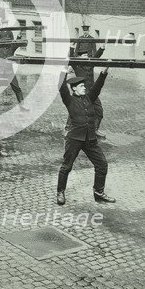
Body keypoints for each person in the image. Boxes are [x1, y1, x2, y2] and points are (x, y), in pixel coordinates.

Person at [57, 69, 115, 205]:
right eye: (81, 86)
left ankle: (98, 193)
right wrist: (63, 71)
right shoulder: (69, 100)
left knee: (102, 164)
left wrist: (104, 73)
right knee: (66, 166)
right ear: (74, 89)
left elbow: (97, 86)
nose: (84, 87)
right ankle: (60, 192)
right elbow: (61, 87)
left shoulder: (89, 98)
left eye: (84, 85)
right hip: (74, 139)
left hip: (90, 139)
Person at [70, 41, 106, 139]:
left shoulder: (90, 64)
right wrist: (71, 47)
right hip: (82, 93)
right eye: (84, 55)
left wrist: (102, 48)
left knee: (99, 111)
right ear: (80, 57)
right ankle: (68, 129)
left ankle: (94, 129)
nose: (87, 57)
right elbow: (71, 57)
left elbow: (96, 57)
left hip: (93, 93)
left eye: (87, 55)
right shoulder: (76, 65)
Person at [0, 23, 27, 111]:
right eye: (4, 40)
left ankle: (22, 105)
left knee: (17, 88)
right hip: (0, 72)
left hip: (10, 72)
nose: (6, 41)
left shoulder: (12, 47)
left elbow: (17, 42)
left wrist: (20, 34)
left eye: (8, 40)